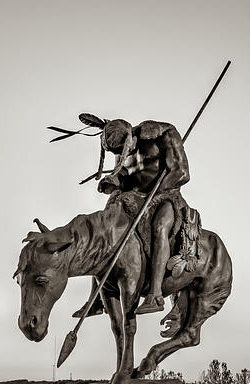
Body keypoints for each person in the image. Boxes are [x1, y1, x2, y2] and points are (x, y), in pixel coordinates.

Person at [72, 117, 191, 317]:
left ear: (130, 136)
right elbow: (125, 173)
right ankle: (96, 298)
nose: (121, 154)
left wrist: (153, 192)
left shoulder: (163, 134)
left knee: (160, 226)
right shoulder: (122, 149)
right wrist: (114, 180)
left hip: (165, 198)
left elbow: (182, 173)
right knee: (107, 233)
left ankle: (155, 294)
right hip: (134, 200)